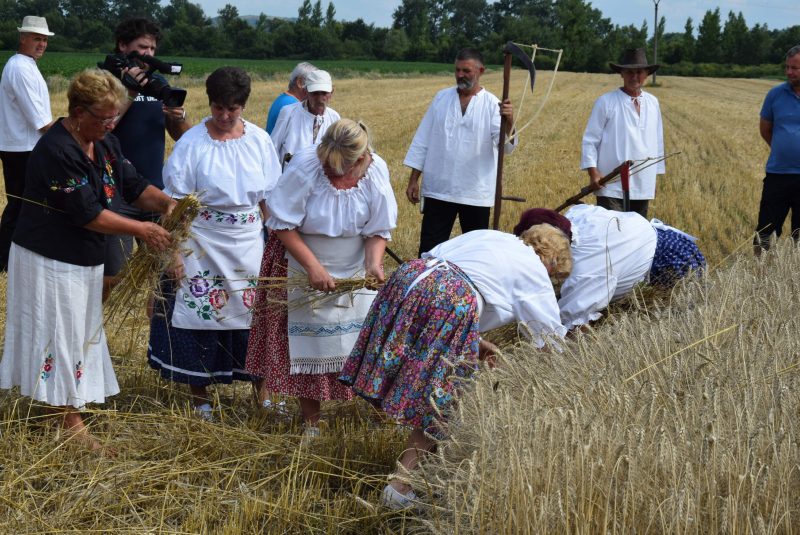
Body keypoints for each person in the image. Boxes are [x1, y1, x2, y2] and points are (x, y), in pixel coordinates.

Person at [0, 69, 175, 454]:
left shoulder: (105, 142)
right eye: (104, 117)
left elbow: (132, 184)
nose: (111, 123)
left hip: (82, 257)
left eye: (114, 116)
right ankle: (70, 428)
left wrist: (166, 204)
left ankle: (61, 406)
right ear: (79, 113)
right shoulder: (57, 150)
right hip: (48, 257)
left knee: (78, 332)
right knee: (59, 334)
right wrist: (141, 231)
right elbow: (88, 213)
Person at [339, 226, 570, 510]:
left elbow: (449, 275)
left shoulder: (492, 237)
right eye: (553, 274)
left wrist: (476, 341)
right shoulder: (535, 270)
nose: (550, 278)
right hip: (449, 300)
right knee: (443, 401)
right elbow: (551, 341)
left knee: (428, 387)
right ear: (552, 261)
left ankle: (417, 476)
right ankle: (399, 488)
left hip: (409, 278)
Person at [246, 119, 398, 436]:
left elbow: (377, 229)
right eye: (328, 166)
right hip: (303, 261)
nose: (331, 173)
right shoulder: (306, 165)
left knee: (367, 344)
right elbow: (281, 224)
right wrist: (313, 267)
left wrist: (373, 265)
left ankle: (384, 419)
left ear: (360, 160)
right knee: (309, 346)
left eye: (338, 170)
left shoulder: (376, 170)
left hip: (354, 268)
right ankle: (311, 425)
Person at [146, 67, 282, 420]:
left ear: (243, 106)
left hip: (249, 243)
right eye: (218, 107)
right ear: (210, 103)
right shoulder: (192, 142)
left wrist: (277, 244)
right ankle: (201, 400)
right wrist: (173, 252)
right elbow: (174, 205)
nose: (223, 116)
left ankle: (264, 396)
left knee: (255, 318)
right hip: (201, 243)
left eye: (232, 109)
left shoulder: (259, 141)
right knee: (198, 318)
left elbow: (269, 198)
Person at [103, 17, 192, 302]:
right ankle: (87, 338)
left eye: (153, 48)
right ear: (122, 45)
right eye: (143, 47)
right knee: (113, 275)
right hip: (115, 193)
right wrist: (129, 91)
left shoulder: (158, 83)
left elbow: (183, 138)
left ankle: (157, 343)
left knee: (164, 277)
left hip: (155, 192)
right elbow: (101, 128)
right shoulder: (104, 80)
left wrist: (180, 116)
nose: (150, 54)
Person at [513, 206, 706, 332]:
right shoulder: (575, 215)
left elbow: (576, 327)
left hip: (673, 264)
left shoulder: (589, 265)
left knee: (681, 327)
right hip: (671, 239)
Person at [404, 47, 516, 257]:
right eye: (457, 70)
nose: (460, 75)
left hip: (476, 192)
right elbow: (422, 139)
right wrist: (413, 180)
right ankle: (426, 288)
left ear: (481, 71)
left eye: (466, 71)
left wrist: (509, 121)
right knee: (429, 251)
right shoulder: (441, 98)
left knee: (475, 254)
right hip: (439, 188)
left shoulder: (493, 104)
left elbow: (504, 146)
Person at [581, 48, 665, 218]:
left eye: (639, 72)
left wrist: (652, 181)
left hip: (643, 183)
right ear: (622, 73)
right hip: (610, 183)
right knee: (613, 233)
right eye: (629, 72)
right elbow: (590, 140)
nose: (634, 76)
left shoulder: (652, 102)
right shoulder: (605, 102)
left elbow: (657, 142)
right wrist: (594, 174)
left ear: (646, 73)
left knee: (636, 235)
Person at [0, 16, 55, 272]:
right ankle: (4, 261)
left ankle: (14, 260)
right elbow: (41, 121)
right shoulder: (20, 68)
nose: (42, 43)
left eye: (44, 39)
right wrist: (71, 133)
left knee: (24, 205)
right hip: (21, 148)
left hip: (24, 146)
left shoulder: (27, 64)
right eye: (37, 38)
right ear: (23, 38)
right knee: (20, 206)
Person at [754, 46, 800, 255]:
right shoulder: (775, 95)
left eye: (795, 68)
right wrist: (784, 150)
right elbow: (765, 130)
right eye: (787, 67)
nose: (789, 72)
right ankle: (759, 276)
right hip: (778, 174)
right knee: (765, 232)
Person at [270, 69, 340, 164]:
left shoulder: (334, 118)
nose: (320, 98)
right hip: (291, 176)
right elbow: (273, 148)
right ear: (305, 91)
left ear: (331, 93)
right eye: (315, 93)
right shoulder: (288, 113)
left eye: (324, 93)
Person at [265, 62, 317, 135]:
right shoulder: (294, 105)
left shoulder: (282, 99)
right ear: (300, 82)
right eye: (313, 84)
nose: (317, 90)